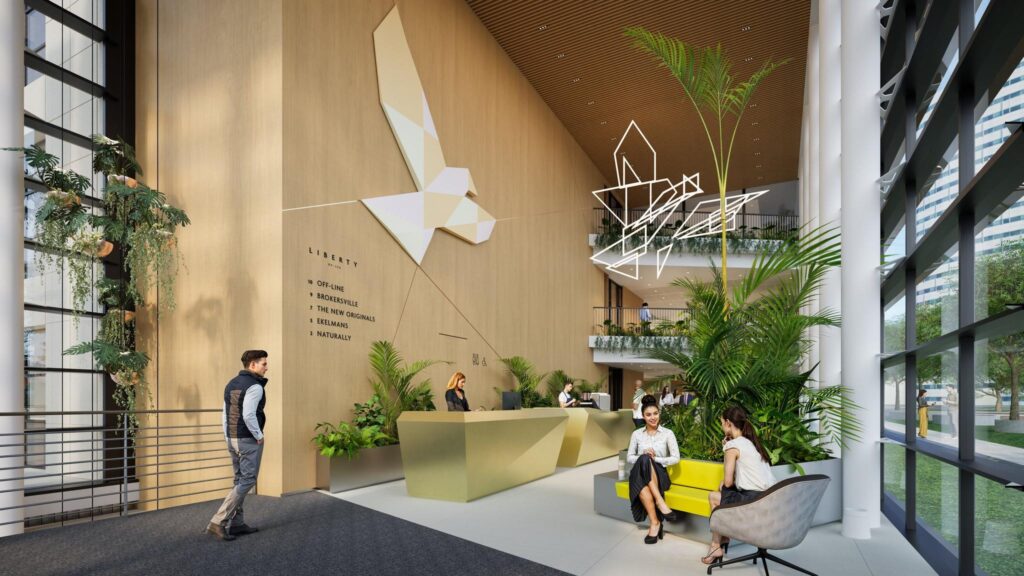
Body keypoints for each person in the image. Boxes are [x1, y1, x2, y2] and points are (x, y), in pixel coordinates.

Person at [207, 350, 269, 541]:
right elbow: (249, 415)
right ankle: (218, 521)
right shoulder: (255, 386)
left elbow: (224, 413)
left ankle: (238, 523)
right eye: (263, 363)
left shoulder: (231, 383)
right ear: (252, 365)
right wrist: (259, 435)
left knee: (239, 480)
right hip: (247, 439)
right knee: (248, 480)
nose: (266, 367)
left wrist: (227, 435)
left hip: (232, 438)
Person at [702, 406, 775, 565]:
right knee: (722, 490)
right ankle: (724, 537)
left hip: (754, 502)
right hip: (770, 501)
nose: (722, 426)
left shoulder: (733, 446)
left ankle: (716, 544)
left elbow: (728, 482)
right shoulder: (752, 444)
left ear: (728, 423)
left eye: (722, 423)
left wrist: (726, 449)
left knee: (714, 496)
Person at [626, 395, 680, 544]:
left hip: (660, 476)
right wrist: (644, 455)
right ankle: (657, 513)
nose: (653, 417)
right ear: (643, 416)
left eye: (655, 413)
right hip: (640, 472)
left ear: (659, 414)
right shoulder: (636, 434)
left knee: (647, 461)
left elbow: (676, 458)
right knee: (643, 459)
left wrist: (655, 459)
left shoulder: (668, 434)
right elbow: (629, 457)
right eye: (648, 415)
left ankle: (655, 521)